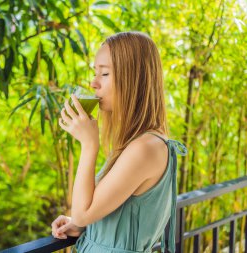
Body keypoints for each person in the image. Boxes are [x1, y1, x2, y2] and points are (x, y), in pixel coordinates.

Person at [51, 31, 187, 253]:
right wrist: (86, 226)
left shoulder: (145, 148)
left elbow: (83, 213)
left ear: (134, 78)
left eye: (104, 74)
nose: (94, 83)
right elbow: (108, 213)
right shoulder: (143, 142)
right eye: (95, 73)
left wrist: (88, 145)